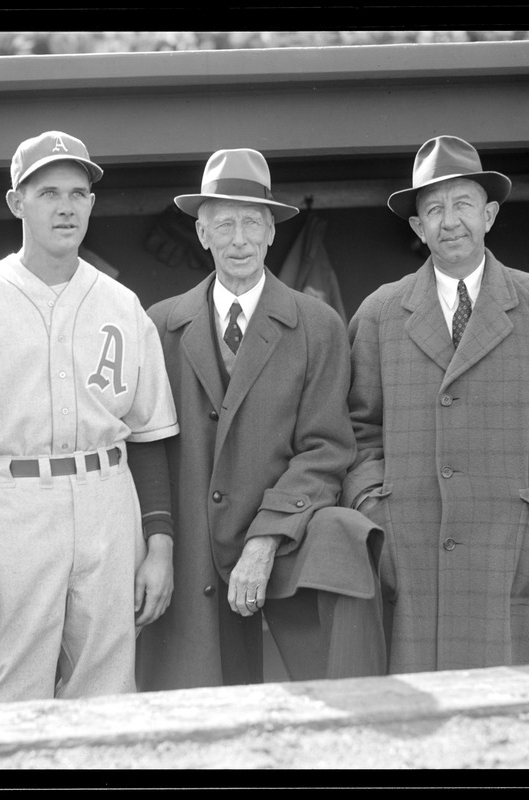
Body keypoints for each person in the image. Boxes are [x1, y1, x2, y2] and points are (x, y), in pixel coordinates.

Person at [0, 130, 179, 703]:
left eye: (78, 192)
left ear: (93, 202)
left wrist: (160, 544)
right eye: (47, 193)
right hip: (13, 508)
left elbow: (146, 436)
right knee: (2, 694)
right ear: (16, 202)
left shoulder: (122, 303)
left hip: (108, 501)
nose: (66, 207)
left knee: (108, 695)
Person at [344, 135, 529, 674]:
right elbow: (356, 431)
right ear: (418, 228)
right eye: (434, 209)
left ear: (489, 215)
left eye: (463, 204)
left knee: (516, 735)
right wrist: (377, 515)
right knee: (421, 736)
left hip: (513, 554)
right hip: (412, 558)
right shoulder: (379, 313)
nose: (450, 221)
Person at [138, 148, 385, 690]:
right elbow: (147, 447)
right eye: (224, 224)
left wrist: (265, 538)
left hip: (286, 555)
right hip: (191, 563)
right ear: (201, 233)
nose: (240, 239)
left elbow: (327, 450)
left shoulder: (318, 325)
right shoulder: (159, 325)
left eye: (253, 222)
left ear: (272, 231)